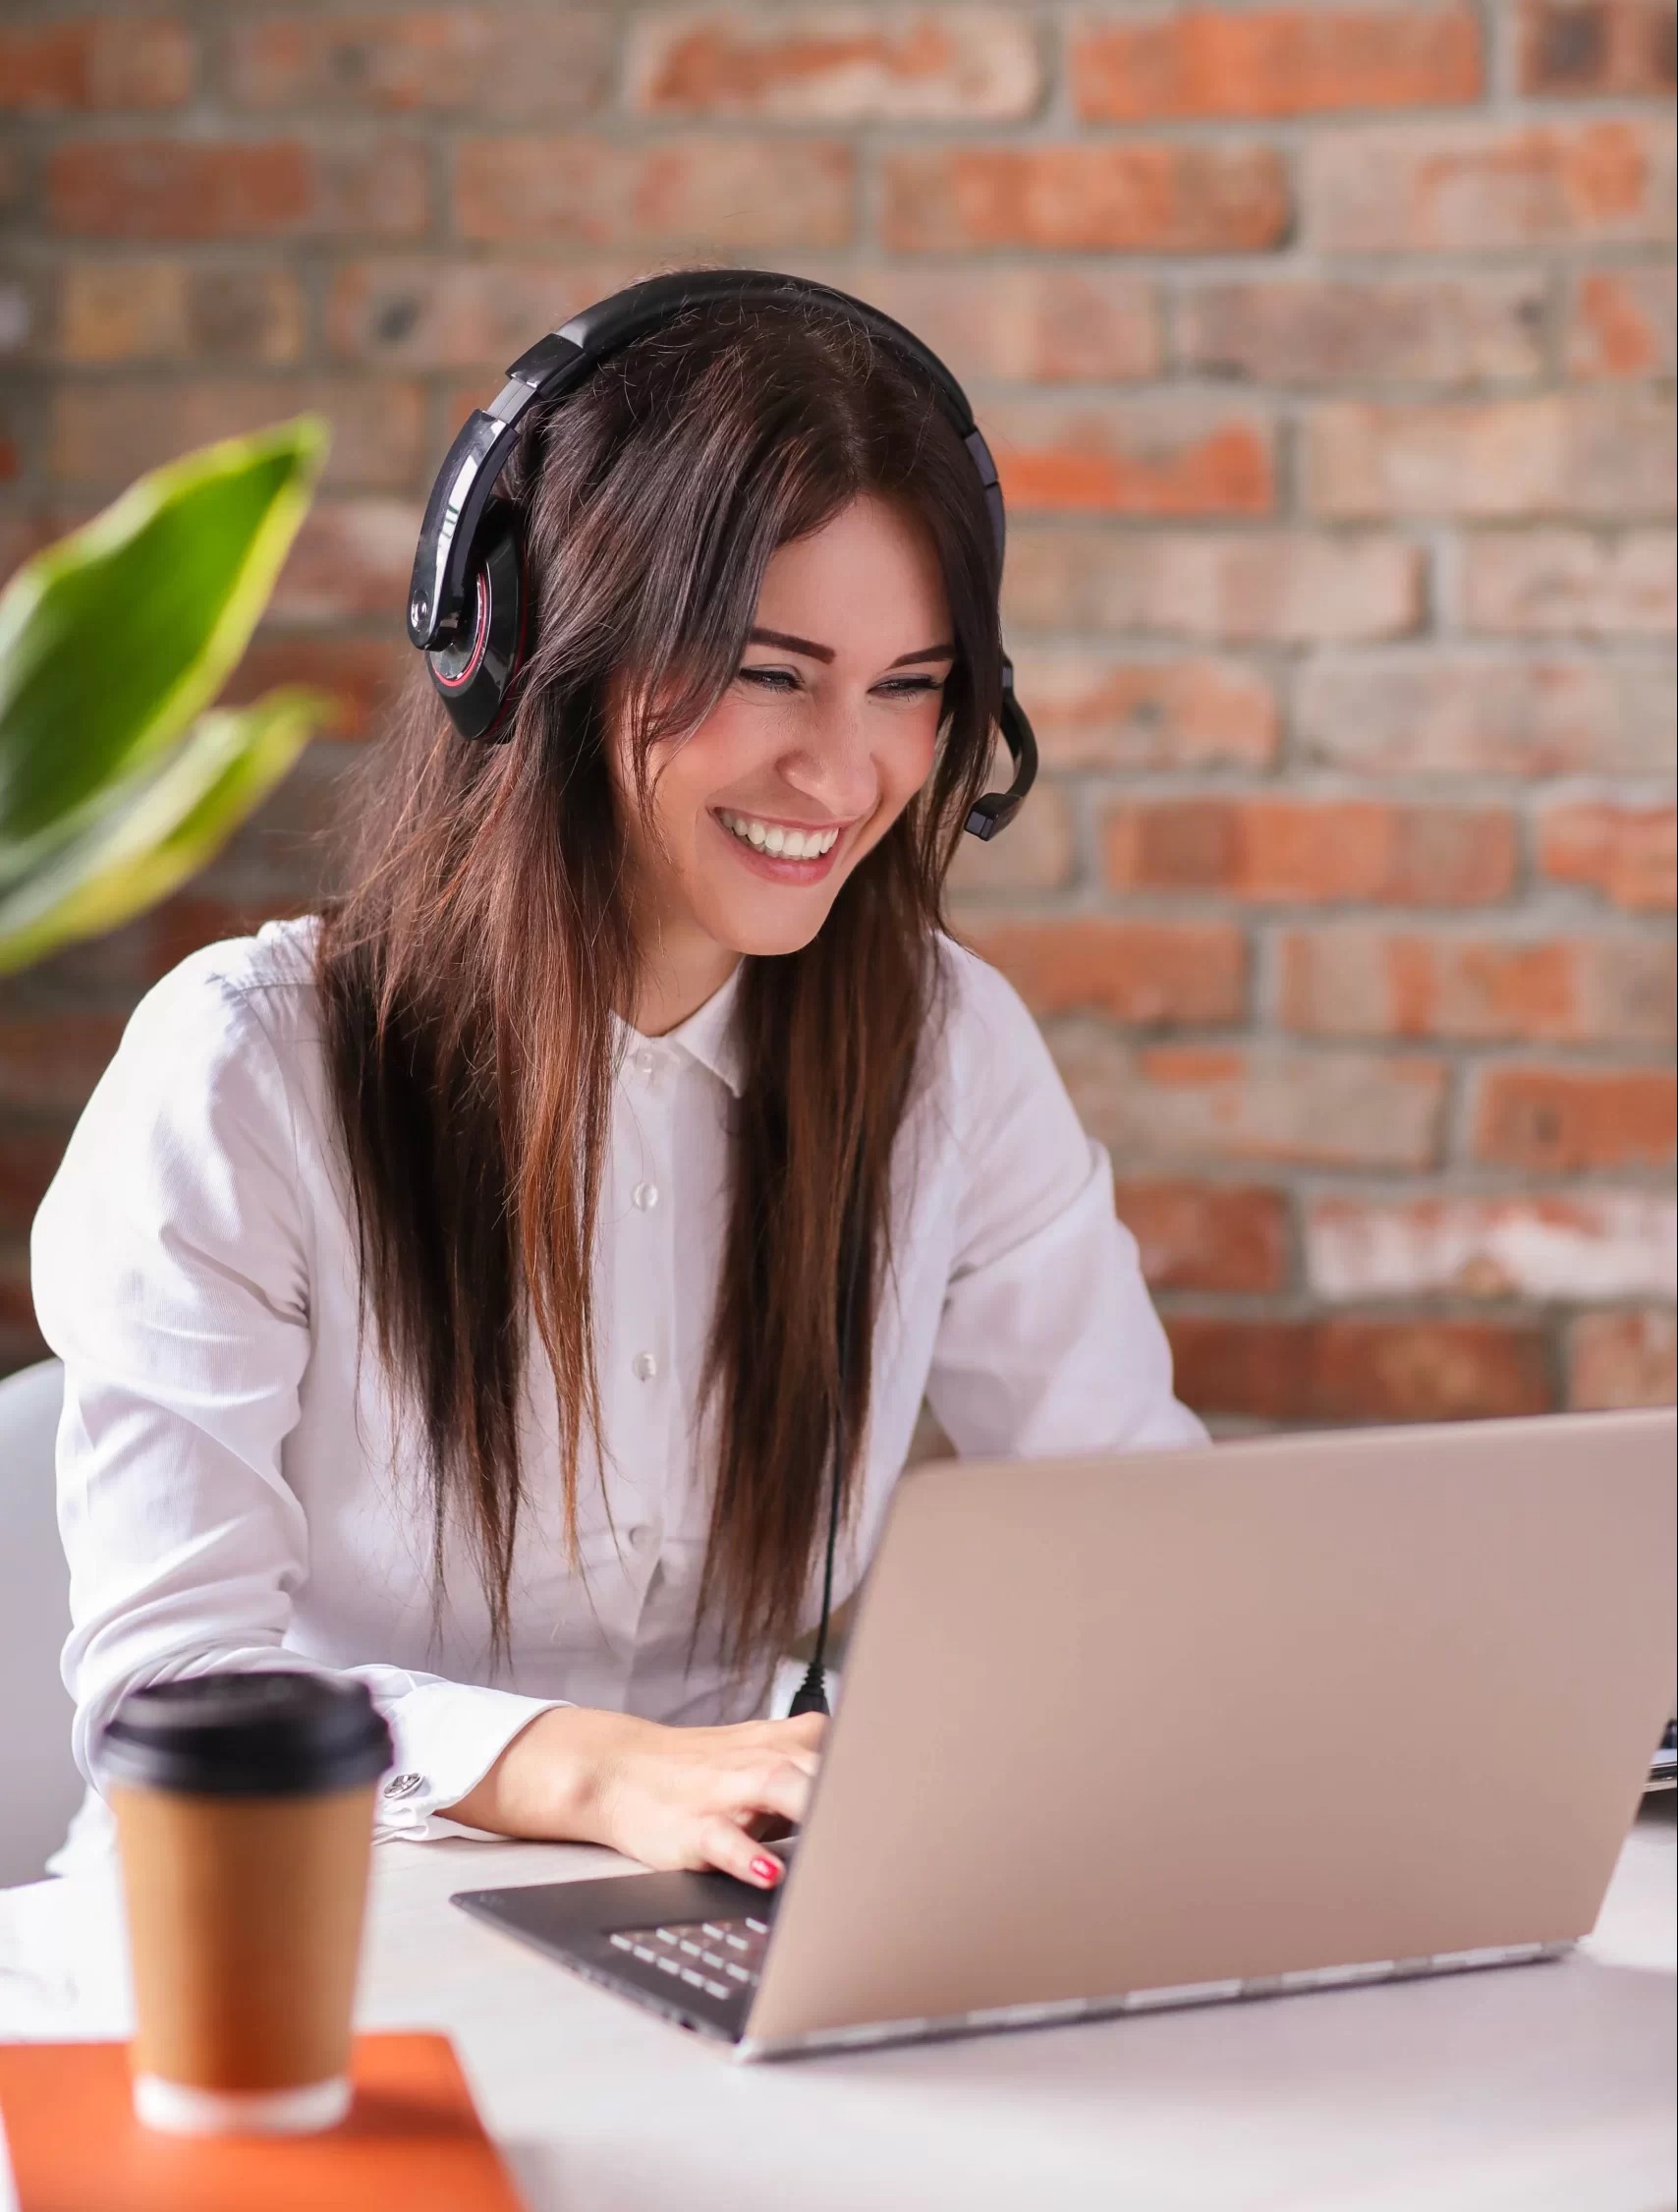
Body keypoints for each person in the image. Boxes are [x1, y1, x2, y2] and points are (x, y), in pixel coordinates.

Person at [32, 277, 1203, 1891]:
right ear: (523, 646)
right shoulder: (248, 1071)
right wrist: (592, 1770)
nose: (845, 771)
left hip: (714, 1912)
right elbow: (172, 1695)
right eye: (770, 672)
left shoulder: (939, 1048)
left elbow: (1135, 1535)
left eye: (911, 687)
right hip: (277, 1935)